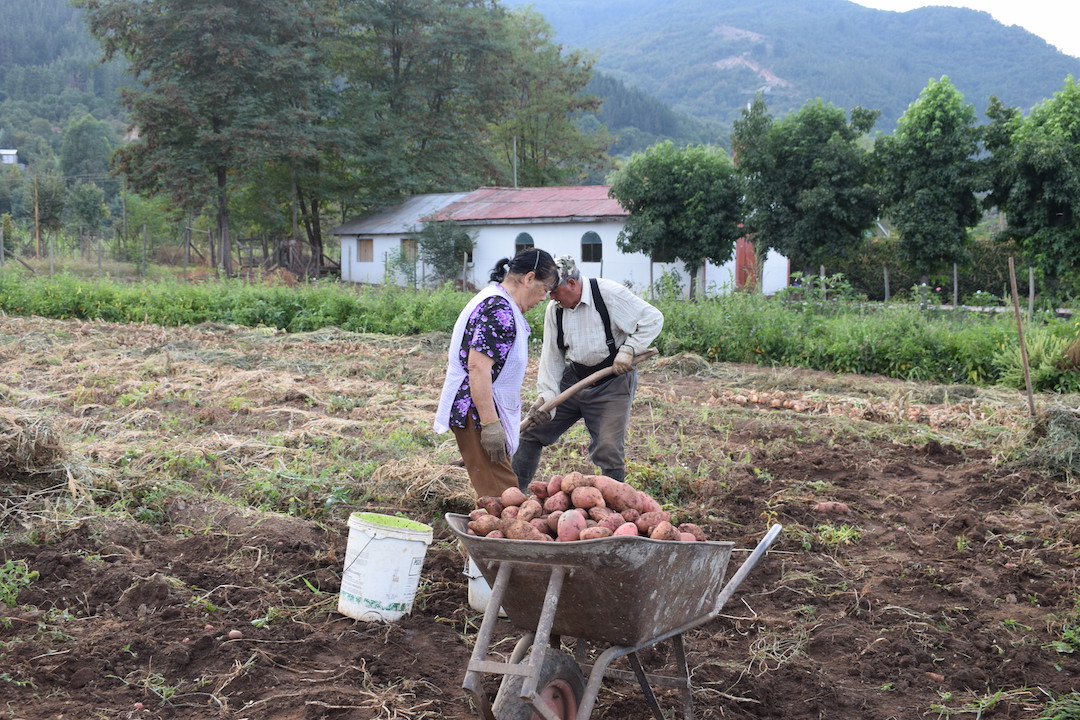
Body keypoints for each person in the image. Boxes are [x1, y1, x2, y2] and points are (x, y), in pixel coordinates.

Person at [513, 255, 664, 489]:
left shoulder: (608, 294)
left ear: (572, 284)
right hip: (574, 380)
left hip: (612, 381)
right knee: (532, 430)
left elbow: (653, 318)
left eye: (554, 291)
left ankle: (614, 507)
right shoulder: (556, 310)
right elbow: (551, 357)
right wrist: (546, 396)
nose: (550, 297)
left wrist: (629, 350)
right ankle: (515, 494)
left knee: (608, 448)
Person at [434, 248, 559, 497]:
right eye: (544, 290)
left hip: (478, 408)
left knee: (495, 493)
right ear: (529, 278)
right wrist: (490, 425)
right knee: (504, 498)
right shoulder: (499, 311)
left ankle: (484, 533)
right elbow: (478, 367)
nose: (543, 298)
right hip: (477, 411)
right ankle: (496, 535)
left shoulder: (497, 300)